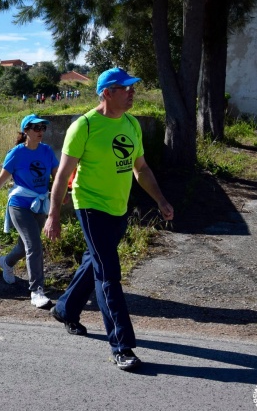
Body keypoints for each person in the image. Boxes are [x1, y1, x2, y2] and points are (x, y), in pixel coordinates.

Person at [44, 67, 174, 371]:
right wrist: (53, 215)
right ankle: (122, 345)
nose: (131, 93)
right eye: (124, 88)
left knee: (95, 262)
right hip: (90, 207)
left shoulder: (131, 124)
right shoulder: (85, 127)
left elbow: (140, 168)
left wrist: (161, 199)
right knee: (108, 275)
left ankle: (65, 309)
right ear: (107, 92)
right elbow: (63, 174)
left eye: (133, 88)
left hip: (119, 207)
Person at [0, 114, 58, 308]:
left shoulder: (47, 151)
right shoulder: (16, 153)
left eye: (43, 128)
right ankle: (36, 291)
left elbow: (58, 176)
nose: (40, 131)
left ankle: (6, 262)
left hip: (40, 204)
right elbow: (1, 179)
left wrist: (63, 193)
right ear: (26, 131)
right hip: (19, 205)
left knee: (25, 247)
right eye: (36, 128)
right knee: (34, 245)